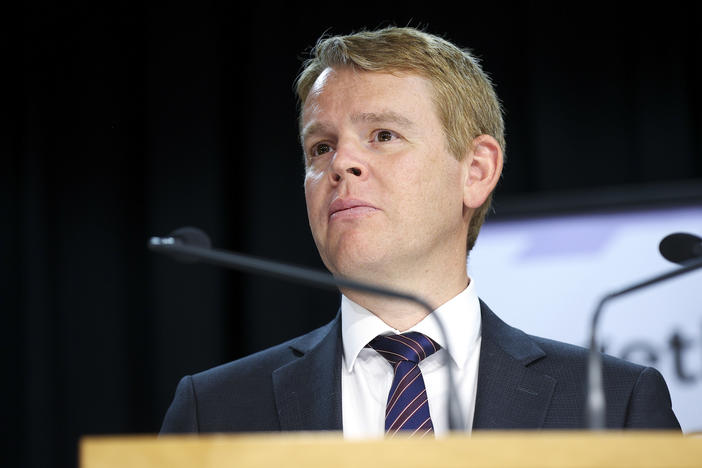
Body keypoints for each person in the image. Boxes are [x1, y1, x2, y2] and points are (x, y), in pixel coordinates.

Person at [160, 27, 679, 436]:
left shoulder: (618, 403)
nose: (342, 163)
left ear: (475, 171)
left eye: (382, 135)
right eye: (320, 147)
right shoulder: (215, 410)